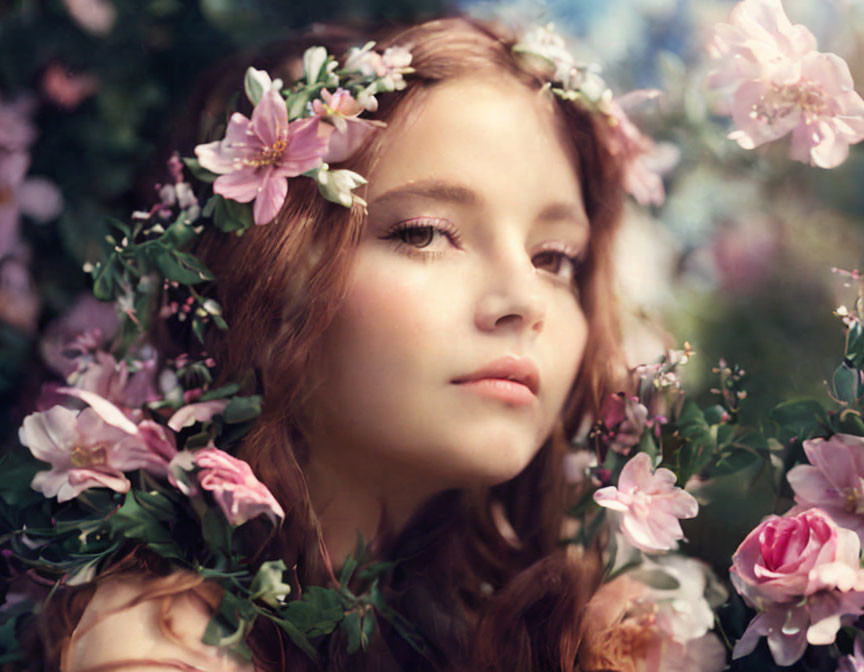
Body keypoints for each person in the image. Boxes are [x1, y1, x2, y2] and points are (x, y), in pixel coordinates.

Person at [25, 15, 628, 672]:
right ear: (269, 275)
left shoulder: (521, 621)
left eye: (555, 257)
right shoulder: (163, 650)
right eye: (423, 233)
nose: (524, 300)